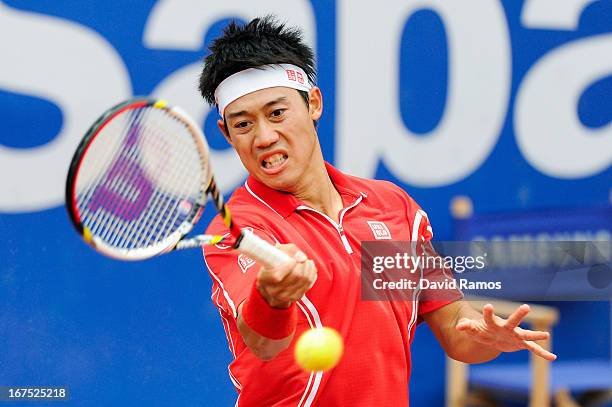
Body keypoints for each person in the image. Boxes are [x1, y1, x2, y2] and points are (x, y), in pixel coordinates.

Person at [198, 16, 556, 406]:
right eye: (244, 124)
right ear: (226, 134)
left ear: (313, 103)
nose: (264, 137)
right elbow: (265, 344)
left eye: (277, 113)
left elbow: (456, 329)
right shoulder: (240, 230)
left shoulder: (392, 207)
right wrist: (273, 297)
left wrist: (489, 340)